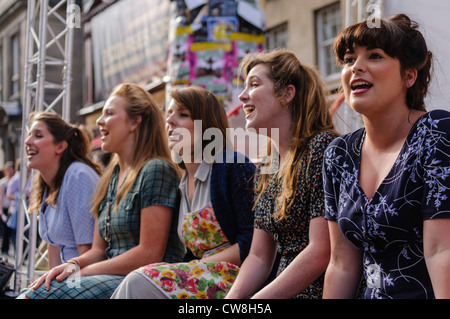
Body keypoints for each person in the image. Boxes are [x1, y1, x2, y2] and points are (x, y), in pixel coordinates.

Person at [322, 14, 450, 299]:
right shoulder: (338, 154)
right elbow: (341, 265)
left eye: (375, 56)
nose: (356, 67)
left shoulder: (437, 133)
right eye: (348, 59)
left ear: (409, 75)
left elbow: (442, 251)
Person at [21, 83, 185, 299]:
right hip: (111, 277)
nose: (99, 121)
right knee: (32, 292)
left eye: (109, 113)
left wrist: (84, 272)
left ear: (135, 122)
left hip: (145, 281)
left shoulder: (156, 169)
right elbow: (98, 250)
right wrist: (71, 265)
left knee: (38, 296)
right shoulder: (112, 175)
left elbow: (149, 254)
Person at [111, 86, 256, 299]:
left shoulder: (232, 166)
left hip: (238, 281)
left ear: (205, 125)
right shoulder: (182, 181)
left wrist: (196, 266)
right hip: (200, 278)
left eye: (182, 114)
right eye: (169, 113)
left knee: (137, 281)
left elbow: (253, 240)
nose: (170, 120)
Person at [225, 49, 338, 299]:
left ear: (287, 93)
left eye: (254, 84)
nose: (243, 96)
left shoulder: (321, 147)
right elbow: (259, 256)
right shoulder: (268, 164)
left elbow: (321, 251)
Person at [24, 112, 101, 268]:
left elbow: (87, 253)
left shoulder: (78, 176)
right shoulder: (48, 183)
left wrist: (63, 289)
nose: (27, 141)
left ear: (60, 146)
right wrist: (49, 286)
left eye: (38, 136)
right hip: (68, 278)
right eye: (29, 135)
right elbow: (54, 245)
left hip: (82, 278)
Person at [0, 161, 14, 256]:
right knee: (5, 230)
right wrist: (1, 212)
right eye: (8, 169)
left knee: (11, 230)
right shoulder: (2, 183)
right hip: (4, 209)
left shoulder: (15, 181)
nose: (10, 171)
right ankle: (4, 249)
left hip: (12, 208)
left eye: (11, 169)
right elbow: (0, 198)